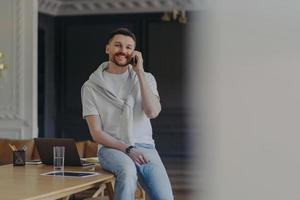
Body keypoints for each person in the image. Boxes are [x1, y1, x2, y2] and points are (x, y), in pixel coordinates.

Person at [81, 28, 173, 200]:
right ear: (107, 48)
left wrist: (140, 72)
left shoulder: (147, 78)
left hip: (145, 147)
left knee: (165, 197)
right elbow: (96, 133)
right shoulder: (90, 87)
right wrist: (128, 149)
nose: (123, 50)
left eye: (129, 47)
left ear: (134, 52)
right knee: (128, 170)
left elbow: (152, 112)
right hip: (111, 149)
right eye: (118, 45)